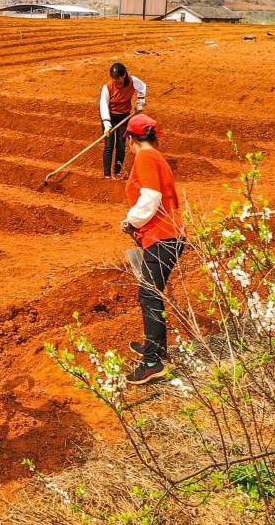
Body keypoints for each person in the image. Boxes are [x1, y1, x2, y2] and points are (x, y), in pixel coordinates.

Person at [119, 114, 184, 385]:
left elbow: (151, 197)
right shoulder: (157, 157)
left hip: (162, 236)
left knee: (149, 295)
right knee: (149, 293)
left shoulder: (145, 158)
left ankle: (152, 363)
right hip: (167, 235)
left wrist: (130, 220)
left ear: (131, 139)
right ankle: (154, 348)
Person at [100, 63, 147, 179]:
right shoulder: (108, 87)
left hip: (124, 117)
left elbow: (142, 88)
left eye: (119, 80)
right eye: (115, 80)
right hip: (110, 117)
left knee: (121, 145)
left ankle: (117, 172)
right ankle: (107, 175)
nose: (117, 82)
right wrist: (107, 125)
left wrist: (140, 104)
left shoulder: (133, 81)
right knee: (109, 145)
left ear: (124, 75)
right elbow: (103, 105)